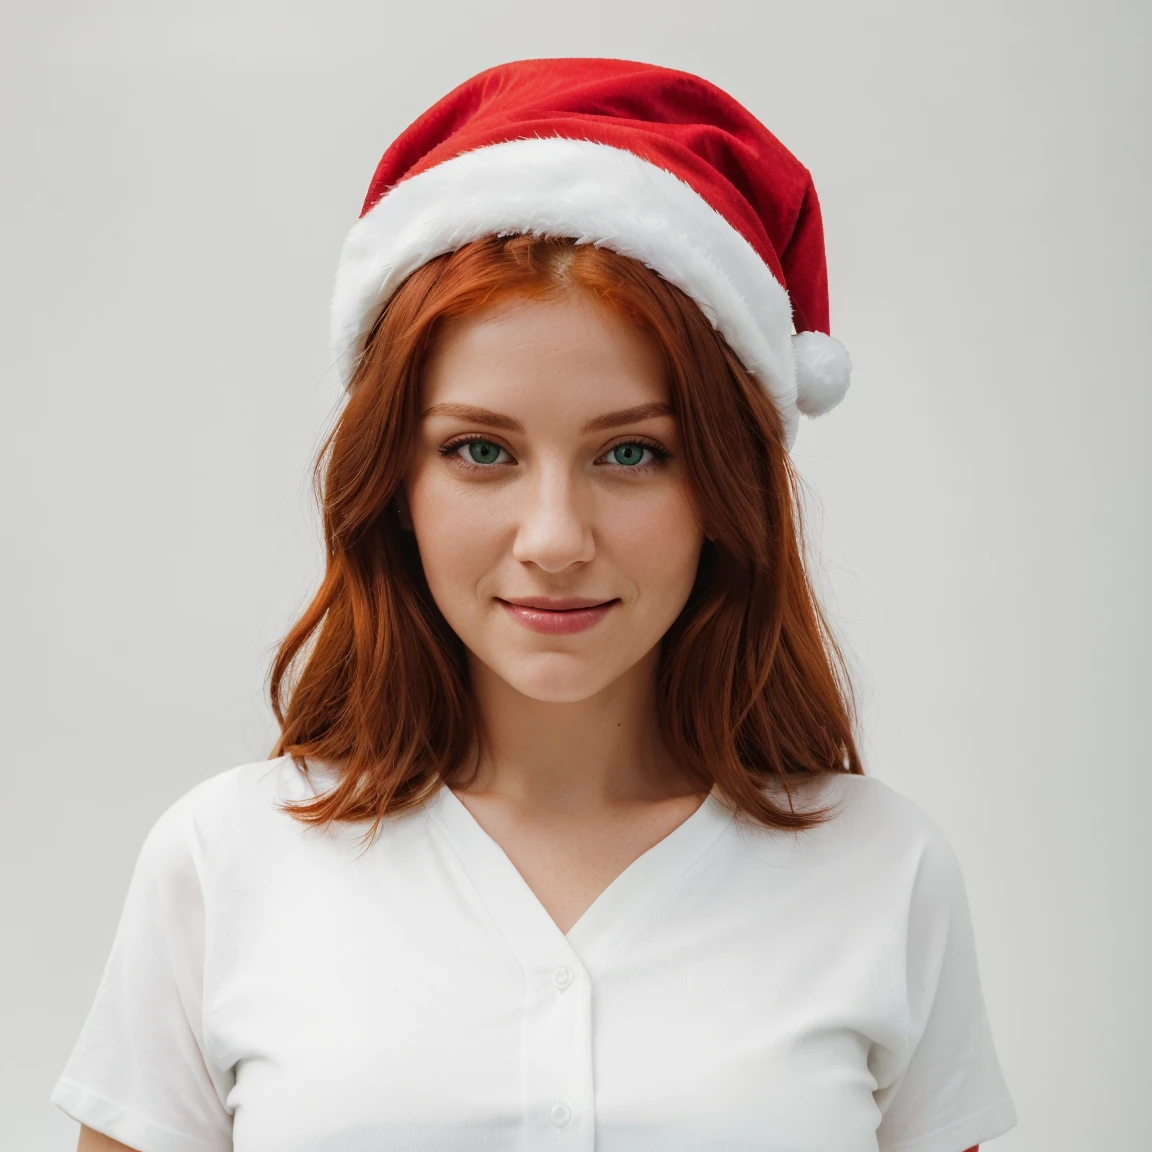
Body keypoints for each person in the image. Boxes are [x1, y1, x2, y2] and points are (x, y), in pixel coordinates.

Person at [52, 58, 1017, 1152]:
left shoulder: (884, 876)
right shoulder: (224, 865)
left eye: (632, 453)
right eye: (480, 450)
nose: (555, 538)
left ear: (724, 488)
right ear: (395, 488)